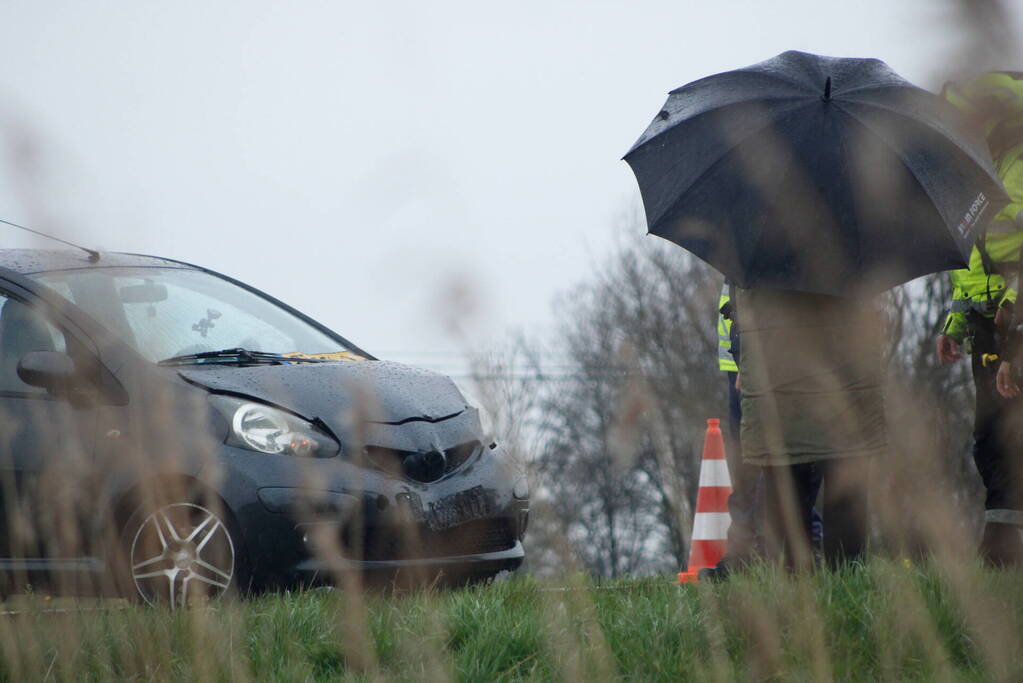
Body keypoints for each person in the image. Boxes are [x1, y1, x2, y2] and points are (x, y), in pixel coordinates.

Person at [736, 287, 885, 569]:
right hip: (843, 387)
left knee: (786, 492)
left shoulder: (755, 255)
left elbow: (742, 313)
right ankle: (847, 584)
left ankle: (796, 590)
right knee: (845, 486)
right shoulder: (853, 254)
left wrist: (744, 360)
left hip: (779, 385)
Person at [939, 72, 1023, 566]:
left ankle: (1001, 554)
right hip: (985, 329)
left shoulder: (1016, 166)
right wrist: (954, 323)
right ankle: (1001, 550)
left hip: (1013, 324)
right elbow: (971, 259)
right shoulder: (975, 172)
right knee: (989, 438)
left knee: (1004, 437)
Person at [700, 283, 825, 580]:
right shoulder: (743, 247)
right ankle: (773, 548)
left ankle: (783, 548)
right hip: (745, 361)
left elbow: (753, 303)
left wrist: (747, 356)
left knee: (774, 457)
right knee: (760, 459)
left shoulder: (755, 247)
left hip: (759, 361)